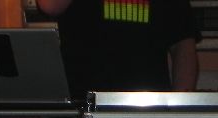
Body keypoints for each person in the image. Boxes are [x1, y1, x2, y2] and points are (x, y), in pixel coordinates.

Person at [37, 0, 199, 96]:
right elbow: (50, 5)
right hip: (84, 108)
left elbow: (182, 44)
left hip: (147, 107)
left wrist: (179, 108)